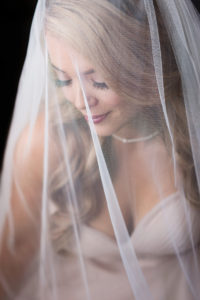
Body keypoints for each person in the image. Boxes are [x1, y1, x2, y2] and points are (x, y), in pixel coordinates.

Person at [0, 0, 200, 299]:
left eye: (99, 82)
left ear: (146, 61)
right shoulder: (46, 144)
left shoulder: (191, 132)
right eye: (63, 79)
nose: (80, 101)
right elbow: (10, 269)